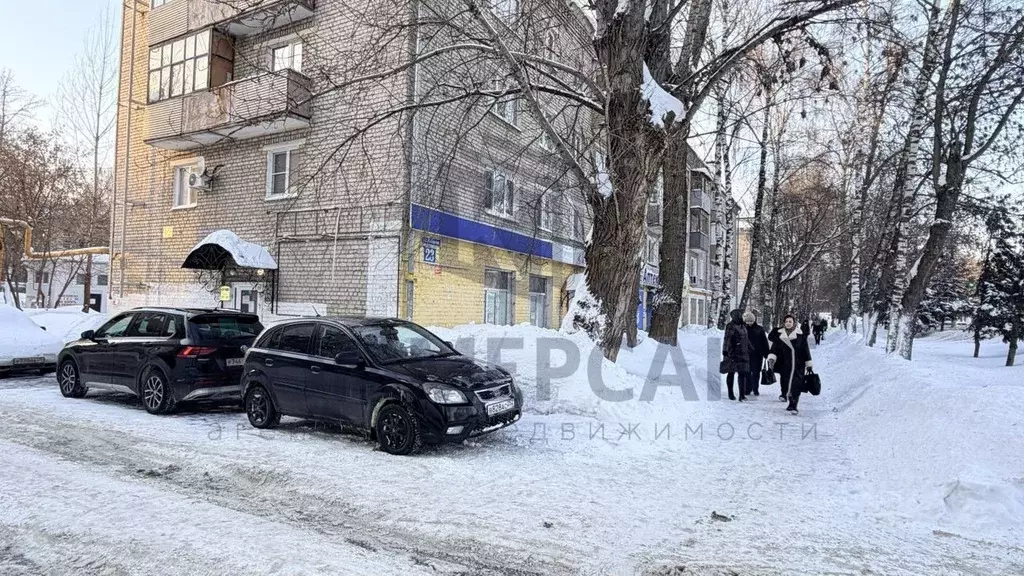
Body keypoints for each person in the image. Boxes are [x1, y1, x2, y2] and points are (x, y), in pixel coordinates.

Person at [767, 314, 814, 414]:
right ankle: (785, 394)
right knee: (785, 381)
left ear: (794, 323)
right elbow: (774, 349)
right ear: (783, 323)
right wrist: (771, 359)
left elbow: (805, 350)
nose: (788, 323)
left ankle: (793, 404)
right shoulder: (780, 335)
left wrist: (808, 364)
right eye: (786, 321)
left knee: (796, 384)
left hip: (798, 364)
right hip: (784, 364)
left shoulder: (800, 335)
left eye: (790, 321)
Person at [722, 308, 752, 401]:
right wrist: (725, 351)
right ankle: (730, 393)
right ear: (737, 315)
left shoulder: (743, 325)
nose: (743, 316)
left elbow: (746, 338)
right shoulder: (731, 326)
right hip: (733, 353)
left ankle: (742, 396)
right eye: (742, 315)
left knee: (742, 373)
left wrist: (751, 348)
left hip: (743, 352)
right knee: (731, 373)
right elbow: (727, 339)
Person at [743, 311, 771, 397]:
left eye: (751, 321)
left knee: (756, 372)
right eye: (748, 321)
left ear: (754, 321)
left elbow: (764, 342)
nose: (749, 323)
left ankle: (755, 389)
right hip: (746, 354)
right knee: (747, 372)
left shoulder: (759, 329)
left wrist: (766, 353)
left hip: (757, 354)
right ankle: (747, 388)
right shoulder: (742, 328)